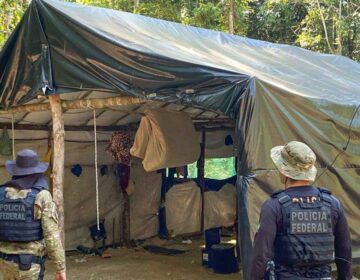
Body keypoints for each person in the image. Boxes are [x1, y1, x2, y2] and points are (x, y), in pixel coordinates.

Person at [250, 141, 352, 280]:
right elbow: (344, 252)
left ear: (283, 170)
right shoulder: (333, 204)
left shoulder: (273, 206)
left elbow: (261, 255)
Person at [0, 149, 66, 280]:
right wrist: (60, 268)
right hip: (30, 265)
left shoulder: (1, 194)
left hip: (5, 262)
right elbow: (51, 236)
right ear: (36, 172)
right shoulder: (42, 195)